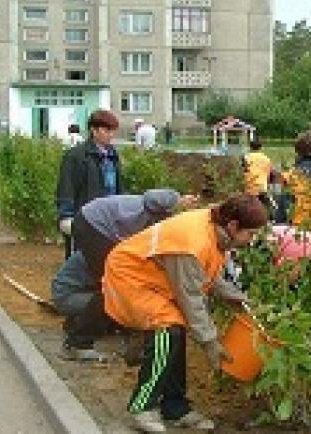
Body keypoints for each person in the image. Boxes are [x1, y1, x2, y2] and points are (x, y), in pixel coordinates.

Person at [101, 194, 268, 432]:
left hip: (155, 279)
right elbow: (191, 298)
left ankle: (175, 407)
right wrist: (210, 341)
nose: (251, 240)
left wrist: (234, 296)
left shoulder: (214, 229)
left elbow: (206, 271)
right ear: (233, 226)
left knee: (175, 332)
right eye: (250, 234)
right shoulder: (191, 243)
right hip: (130, 277)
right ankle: (142, 406)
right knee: (168, 330)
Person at [53, 189, 197, 362]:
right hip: (92, 225)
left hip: (96, 224)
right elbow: (152, 197)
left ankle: (80, 327)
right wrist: (177, 200)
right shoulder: (158, 207)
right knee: (113, 286)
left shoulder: (164, 223)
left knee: (121, 284)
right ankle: (77, 344)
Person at [56, 109, 123, 261]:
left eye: (113, 131)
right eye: (106, 130)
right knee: (81, 260)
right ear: (93, 130)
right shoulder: (76, 156)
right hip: (85, 216)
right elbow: (66, 186)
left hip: (108, 216)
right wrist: (66, 216)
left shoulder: (112, 155)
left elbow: (119, 187)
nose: (111, 135)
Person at [242, 139, 273, 210]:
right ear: (261, 147)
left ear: (250, 147)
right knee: (263, 207)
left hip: (250, 187)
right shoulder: (266, 159)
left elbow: (243, 171)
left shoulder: (246, 158)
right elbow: (268, 174)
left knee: (250, 208)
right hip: (262, 186)